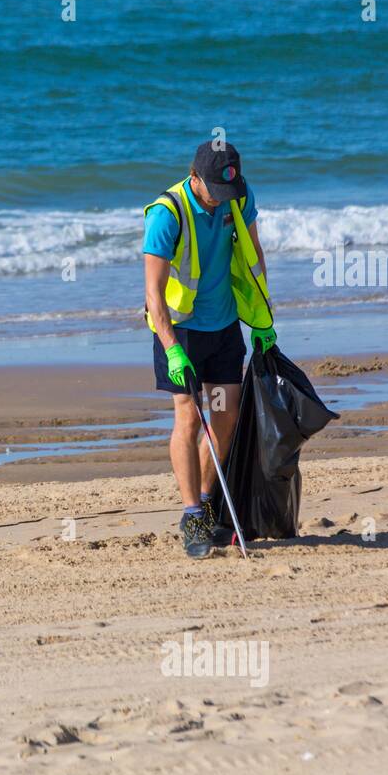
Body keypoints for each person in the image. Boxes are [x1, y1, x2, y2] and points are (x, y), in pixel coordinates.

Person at [143, 141, 276, 559]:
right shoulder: (168, 214)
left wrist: (263, 321)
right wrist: (171, 350)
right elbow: (153, 293)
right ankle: (193, 513)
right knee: (188, 415)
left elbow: (254, 259)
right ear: (194, 177)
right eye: (214, 192)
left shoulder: (238, 195)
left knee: (225, 415)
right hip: (181, 334)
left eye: (227, 193)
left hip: (224, 328)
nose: (222, 202)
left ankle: (202, 499)